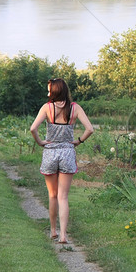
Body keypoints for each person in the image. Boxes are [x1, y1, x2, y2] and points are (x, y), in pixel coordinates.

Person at [30, 78, 94, 244]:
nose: (47, 93)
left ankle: (53, 231)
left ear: (55, 91)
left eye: (49, 90)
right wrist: (78, 141)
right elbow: (90, 129)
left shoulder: (47, 108)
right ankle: (64, 235)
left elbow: (32, 128)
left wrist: (40, 142)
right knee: (63, 197)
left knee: (52, 195)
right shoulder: (75, 108)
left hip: (50, 152)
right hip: (67, 152)